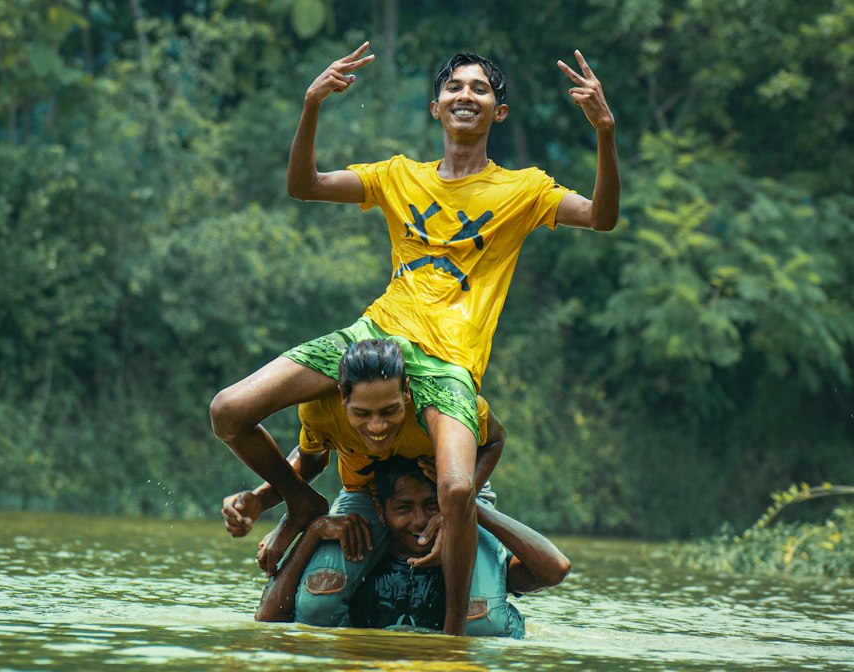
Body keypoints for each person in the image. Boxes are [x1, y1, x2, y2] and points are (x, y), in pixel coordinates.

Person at [210, 42, 619, 636]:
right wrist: (311, 104)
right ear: (436, 107)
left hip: (449, 363)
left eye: (481, 89)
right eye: (455, 87)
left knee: (455, 489)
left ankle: (452, 634)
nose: (466, 96)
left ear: (497, 113)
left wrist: (604, 131)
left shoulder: (524, 189)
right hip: (374, 340)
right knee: (229, 410)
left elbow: (601, 216)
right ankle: (300, 502)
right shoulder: (399, 176)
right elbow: (305, 186)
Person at [222, 338, 507, 619]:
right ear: (343, 398)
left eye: (388, 411)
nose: (377, 427)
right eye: (362, 413)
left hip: (450, 495)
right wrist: (261, 499)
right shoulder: (320, 410)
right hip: (367, 494)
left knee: (484, 622)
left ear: (406, 392)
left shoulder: (442, 402)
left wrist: (454, 510)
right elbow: (311, 462)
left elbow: (494, 441)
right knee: (316, 606)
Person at [255, 455, 572, 637]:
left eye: (432, 505)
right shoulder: (362, 558)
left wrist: (471, 507)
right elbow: (268, 619)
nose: (419, 520)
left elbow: (555, 569)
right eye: (404, 508)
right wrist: (313, 531)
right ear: (381, 511)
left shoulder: (478, 565)